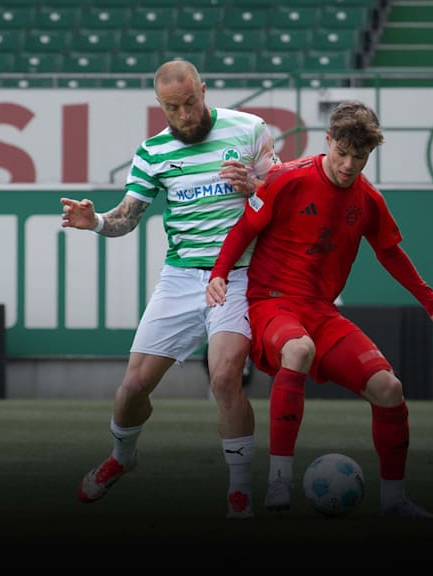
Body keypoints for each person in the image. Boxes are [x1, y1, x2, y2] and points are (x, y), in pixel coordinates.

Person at [206, 101, 433, 517]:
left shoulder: (369, 200)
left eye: (358, 157)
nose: (348, 165)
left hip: (321, 312)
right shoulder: (288, 179)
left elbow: (391, 254)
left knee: (389, 389)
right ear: (328, 141)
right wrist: (219, 274)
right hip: (272, 304)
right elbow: (244, 228)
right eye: (342, 153)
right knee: (298, 350)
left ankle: (394, 501)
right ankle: (280, 481)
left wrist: (431, 304)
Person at [60, 59, 279, 518]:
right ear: (160, 105)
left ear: (204, 89)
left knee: (224, 377)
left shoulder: (250, 129)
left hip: (238, 274)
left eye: (191, 103)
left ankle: (239, 492)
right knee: (133, 387)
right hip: (180, 277)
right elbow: (127, 218)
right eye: (173, 108)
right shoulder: (153, 152)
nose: (185, 115)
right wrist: (95, 221)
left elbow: (283, 196)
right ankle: (122, 458)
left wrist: (256, 184)